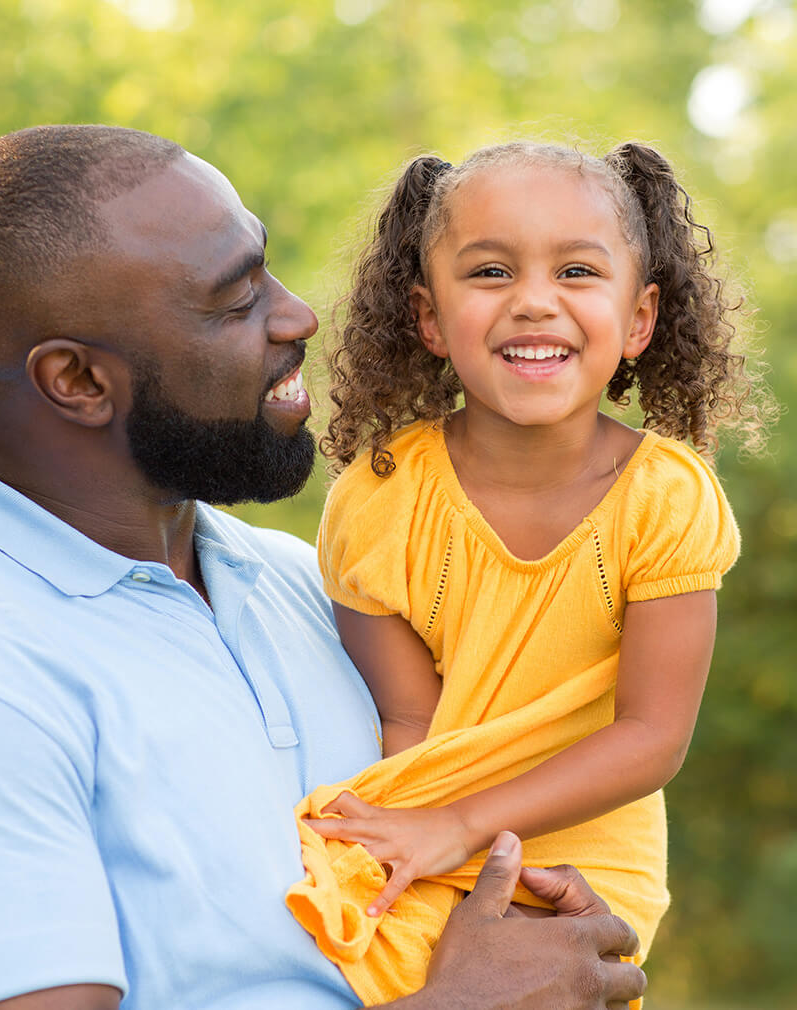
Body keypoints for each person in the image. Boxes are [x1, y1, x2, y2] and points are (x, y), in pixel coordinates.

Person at [0, 125, 647, 1010]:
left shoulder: (304, 584)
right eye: (236, 301)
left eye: (266, 269)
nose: (299, 316)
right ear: (77, 380)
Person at [286, 142, 768, 1005]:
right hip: (432, 824)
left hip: (586, 854)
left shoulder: (665, 499)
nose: (535, 302)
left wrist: (463, 831)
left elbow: (652, 737)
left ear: (640, 319)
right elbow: (412, 724)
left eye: (578, 270)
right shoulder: (379, 497)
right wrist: (420, 844)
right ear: (430, 319)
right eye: (491, 272)